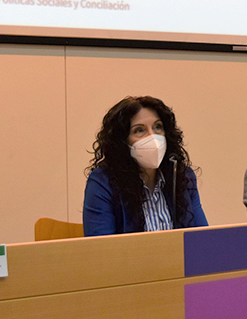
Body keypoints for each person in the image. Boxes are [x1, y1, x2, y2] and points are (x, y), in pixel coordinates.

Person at [82, 96, 208, 236]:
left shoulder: (182, 176)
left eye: (157, 127)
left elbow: (203, 239)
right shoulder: (103, 182)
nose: (152, 136)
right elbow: (101, 250)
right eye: (139, 130)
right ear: (122, 141)